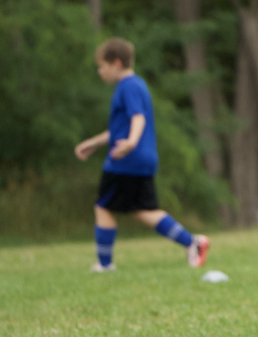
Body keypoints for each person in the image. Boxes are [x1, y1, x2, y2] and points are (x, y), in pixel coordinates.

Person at [74, 38, 211, 273]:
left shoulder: (127, 86)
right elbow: (121, 128)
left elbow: (138, 118)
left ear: (117, 64)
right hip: (143, 158)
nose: (100, 71)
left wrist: (131, 143)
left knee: (103, 207)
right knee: (144, 210)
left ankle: (105, 265)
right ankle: (192, 242)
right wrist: (94, 143)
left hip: (125, 160)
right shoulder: (139, 85)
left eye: (102, 66)